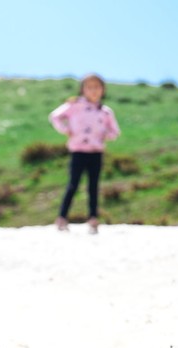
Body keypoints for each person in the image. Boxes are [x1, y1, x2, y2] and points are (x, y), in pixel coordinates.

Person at [49, 73, 121, 234]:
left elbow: (115, 132)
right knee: (73, 184)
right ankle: (62, 217)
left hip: (96, 152)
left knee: (93, 186)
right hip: (78, 151)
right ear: (82, 90)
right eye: (89, 87)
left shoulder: (106, 112)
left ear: (103, 90)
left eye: (97, 87)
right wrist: (66, 129)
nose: (93, 91)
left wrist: (105, 135)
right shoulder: (75, 105)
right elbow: (55, 116)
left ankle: (93, 219)